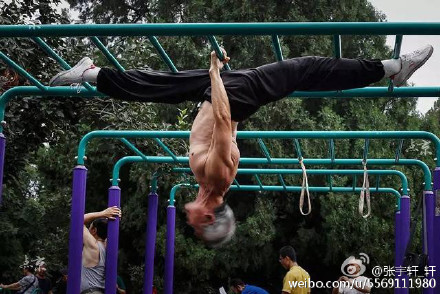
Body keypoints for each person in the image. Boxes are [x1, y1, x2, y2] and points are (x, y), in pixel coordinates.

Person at [49, 45, 433, 247]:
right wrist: (217, 76)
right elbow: (221, 120)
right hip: (232, 93)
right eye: (198, 227)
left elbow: (224, 126)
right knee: (310, 68)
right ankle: (394, 68)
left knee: (158, 85)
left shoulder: (210, 180)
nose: (189, 223)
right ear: (208, 216)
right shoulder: (214, 176)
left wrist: (214, 84)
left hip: (219, 94)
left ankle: (90, 72)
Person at [81, 207, 122, 294]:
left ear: (94, 230)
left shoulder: (93, 246)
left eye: (90, 227)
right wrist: (114, 218)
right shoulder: (108, 246)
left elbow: (79, 220)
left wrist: (103, 213)